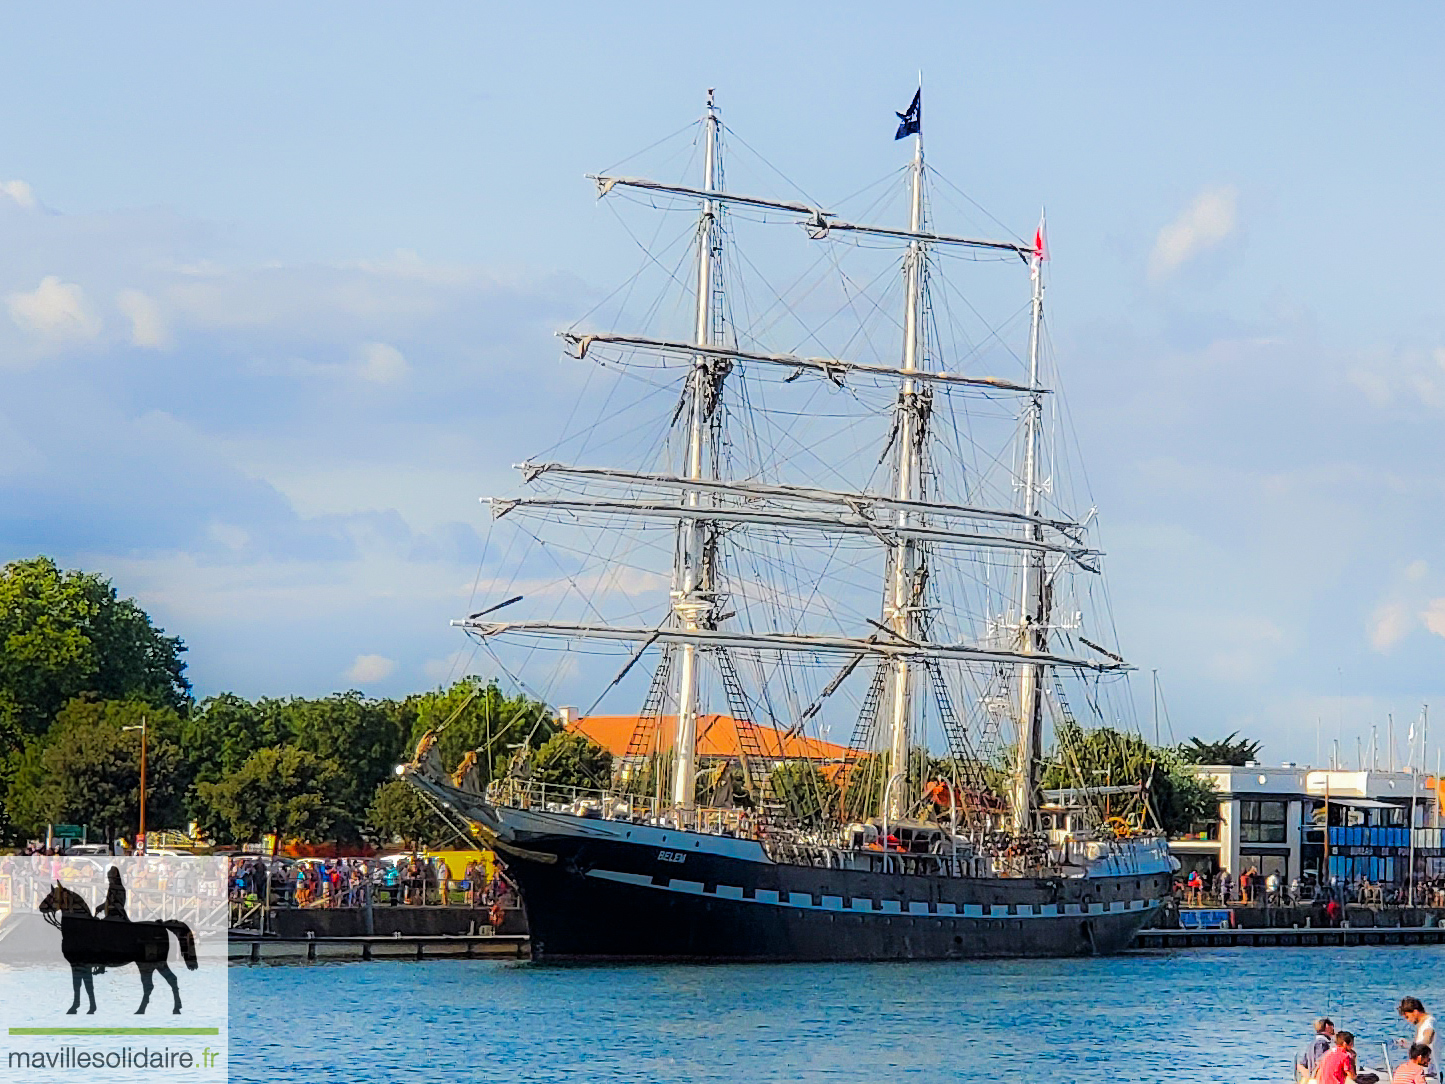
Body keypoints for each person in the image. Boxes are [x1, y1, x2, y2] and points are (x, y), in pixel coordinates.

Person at [1399, 998, 1438, 1078]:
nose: (1408, 1020)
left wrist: (1419, 1050)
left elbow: (1428, 1035)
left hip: (1428, 1074)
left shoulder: (1429, 1022)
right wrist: (1409, 1045)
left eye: (1407, 1017)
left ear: (1415, 1012)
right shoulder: (1423, 1023)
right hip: (1422, 1072)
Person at [1299, 1018, 1337, 1083]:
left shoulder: (1312, 1043)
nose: (1334, 1029)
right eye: (1332, 1027)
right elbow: (1320, 1061)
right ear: (1327, 1027)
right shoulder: (1322, 1043)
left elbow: (1302, 1064)